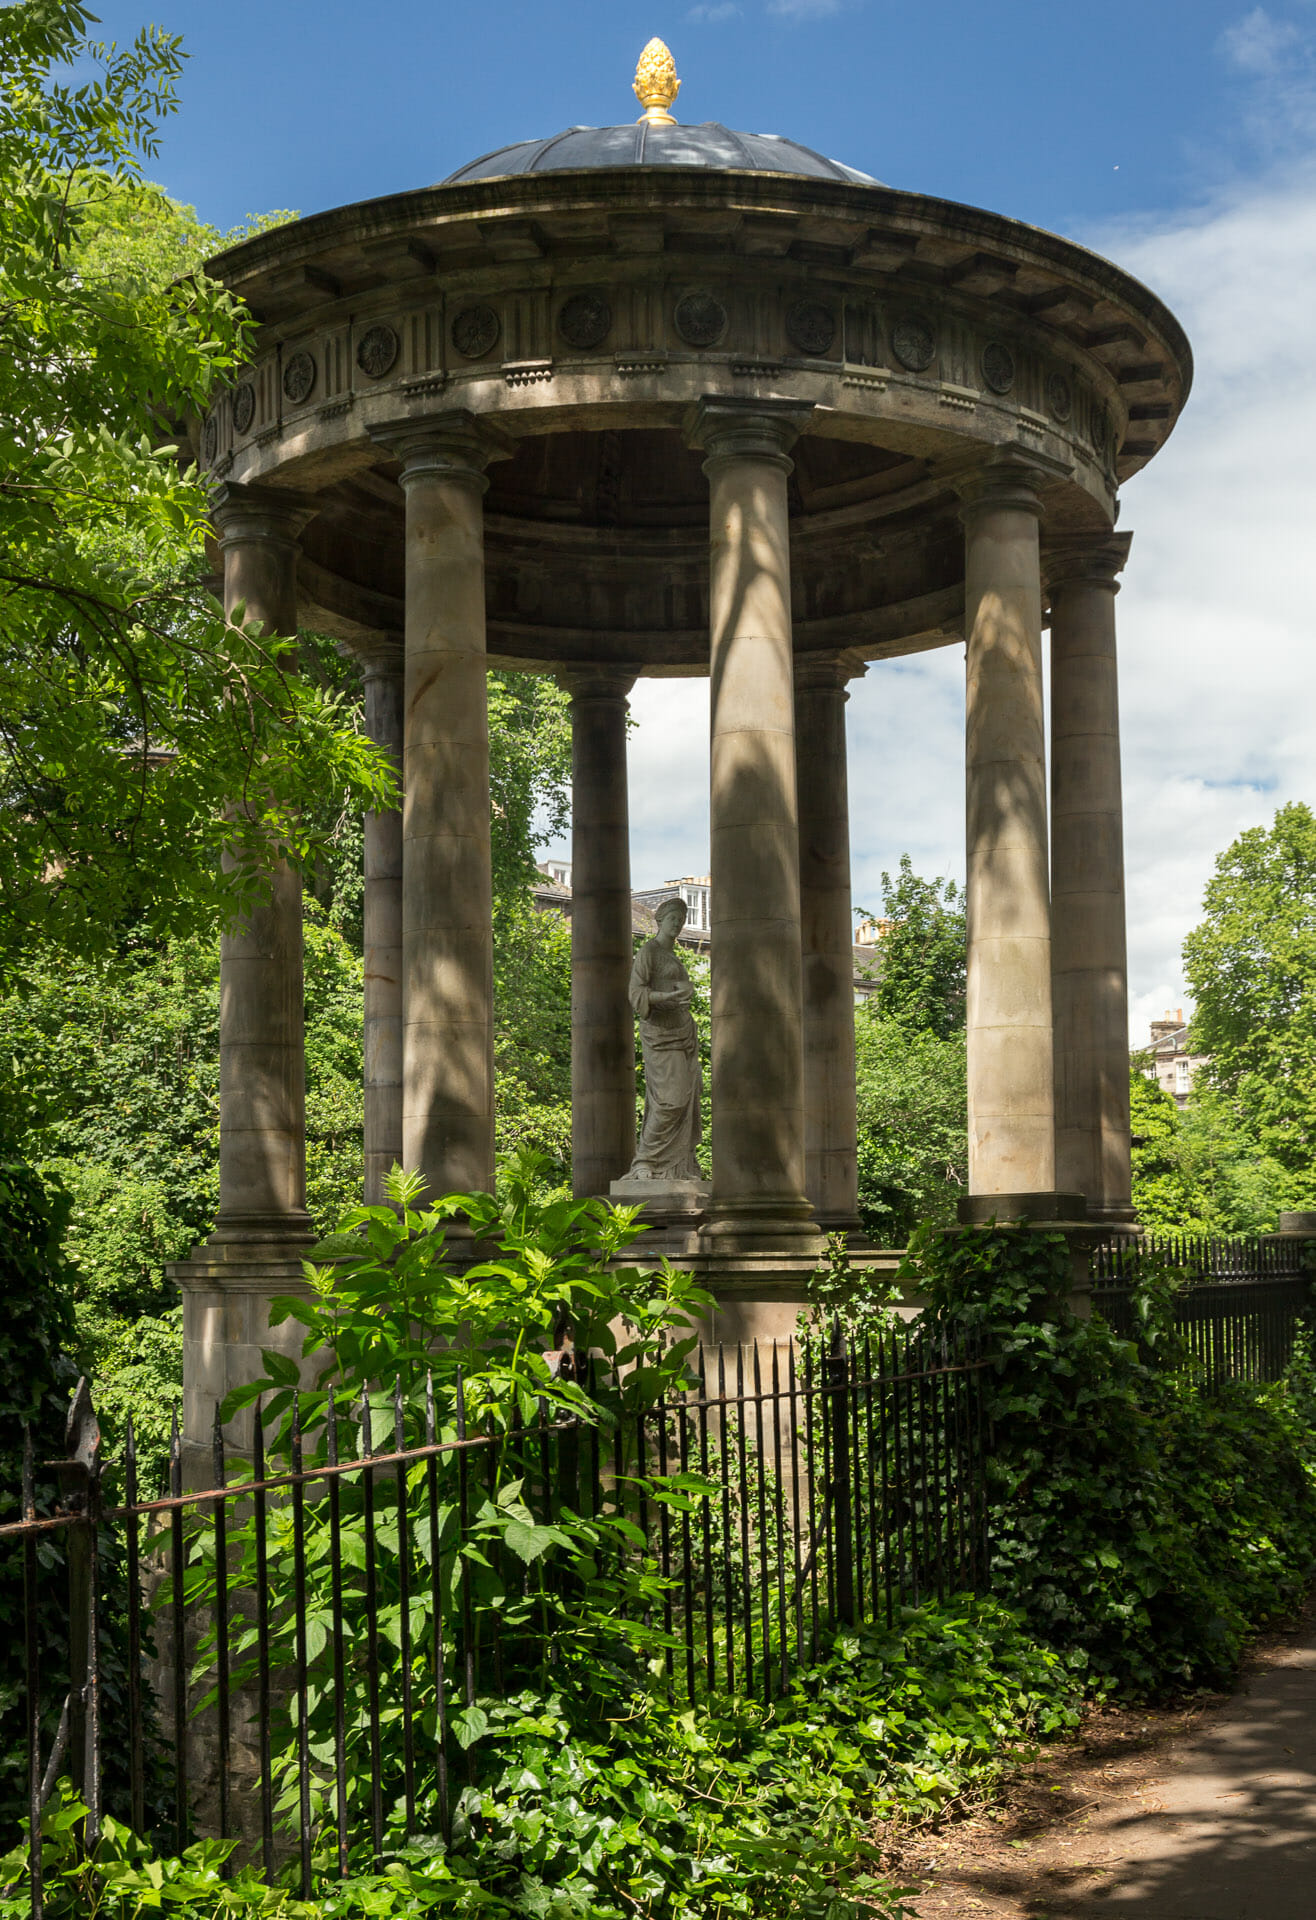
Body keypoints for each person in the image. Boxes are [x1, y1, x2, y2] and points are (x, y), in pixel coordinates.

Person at [626, 895, 703, 1181]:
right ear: (660, 921)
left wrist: (680, 996)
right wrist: (666, 998)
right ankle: (646, 1161)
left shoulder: (672, 956)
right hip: (661, 1035)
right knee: (669, 1101)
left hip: (683, 1033)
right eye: (673, 919)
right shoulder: (650, 951)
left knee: (686, 1100)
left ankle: (679, 1166)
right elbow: (636, 993)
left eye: (682, 921)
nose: (678, 925)